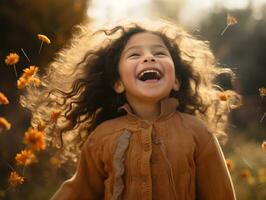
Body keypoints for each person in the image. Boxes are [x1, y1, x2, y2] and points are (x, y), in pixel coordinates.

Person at [22, 19, 240, 200]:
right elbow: (79, 191)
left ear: (177, 81)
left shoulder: (197, 133)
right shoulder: (102, 137)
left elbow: (220, 194)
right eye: (134, 55)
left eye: (160, 53)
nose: (149, 57)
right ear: (118, 83)